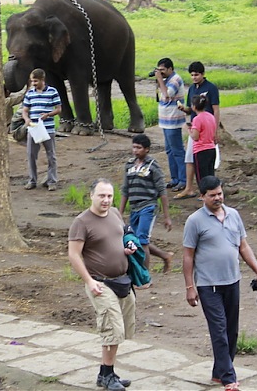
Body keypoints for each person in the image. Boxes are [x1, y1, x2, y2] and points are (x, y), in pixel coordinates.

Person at [182, 176, 257, 391]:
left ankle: (219, 372)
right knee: (218, 330)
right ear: (202, 197)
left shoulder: (234, 215)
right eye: (212, 195)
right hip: (208, 285)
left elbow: (243, 247)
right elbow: (188, 256)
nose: (217, 198)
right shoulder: (195, 221)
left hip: (232, 281)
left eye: (220, 193)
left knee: (231, 331)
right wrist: (190, 287)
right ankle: (229, 378)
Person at [68, 179, 137, 391]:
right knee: (112, 328)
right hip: (100, 283)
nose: (106, 200)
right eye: (101, 196)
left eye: (109, 196)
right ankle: (108, 376)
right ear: (91, 195)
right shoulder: (82, 222)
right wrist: (89, 281)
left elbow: (120, 237)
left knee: (122, 329)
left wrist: (127, 247)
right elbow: (73, 254)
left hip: (122, 280)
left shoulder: (115, 213)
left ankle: (105, 373)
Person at [118, 134, 173, 276]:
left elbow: (162, 191)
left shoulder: (153, 166)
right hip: (134, 208)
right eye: (134, 147)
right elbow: (125, 190)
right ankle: (164, 256)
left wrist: (167, 216)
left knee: (142, 241)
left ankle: (144, 276)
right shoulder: (129, 165)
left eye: (139, 148)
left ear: (147, 149)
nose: (135, 150)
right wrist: (119, 213)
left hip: (148, 206)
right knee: (136, 240)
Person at [177, 61, 220, 199]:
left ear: (203, 74)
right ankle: (190, 188)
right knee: (190, 158)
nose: (194, 77)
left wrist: (216, 131)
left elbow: (216, 109)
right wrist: (184, 109)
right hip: (196, 126)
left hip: (205, 129)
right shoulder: (192, 89)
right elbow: (191, 108)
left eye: (196, 75)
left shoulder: (211, 88)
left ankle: (207, 189)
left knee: (204, 163)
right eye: (192, 75)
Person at [22, 68, 61, 191]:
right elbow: (25, 110)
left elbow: (59, 109)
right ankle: (32, 180)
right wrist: (26, 119)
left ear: (42, 80)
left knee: (51, 155)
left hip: (47, 129)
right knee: (31, 155)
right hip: (33, 129)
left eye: (35, 81)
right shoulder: (30, 93)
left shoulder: (52, 92)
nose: (33, 83)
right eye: (32, 81)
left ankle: (52, 181)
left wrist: (48, 114)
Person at [153, 58, 186, 192]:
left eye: (163, 70)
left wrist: (160, 80)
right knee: (169, 151)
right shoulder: (166, 81)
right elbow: (159, 97)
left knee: (177, 151)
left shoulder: (175, 79)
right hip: (165, 121)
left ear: (170, 69)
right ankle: (175, 179)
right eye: (159, 70)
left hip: (173, 121)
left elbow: (166, 95)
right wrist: (158, 82)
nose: (161, 73)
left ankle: (183, 180)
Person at [189, 94, 217, 184]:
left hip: (200, 150)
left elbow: (195, 137)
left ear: (194, 107)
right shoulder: (211, 116)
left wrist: (189, 130)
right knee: (210, 173)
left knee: (201, 176)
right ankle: (212, 191)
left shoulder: (197, 119)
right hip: (212, 148)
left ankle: (204, 194)